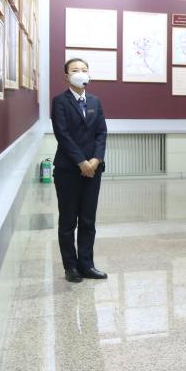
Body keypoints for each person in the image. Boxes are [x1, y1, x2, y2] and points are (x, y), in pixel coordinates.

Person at [52, 58, 109, 283]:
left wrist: (95, 159)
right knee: (68, 221)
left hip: (93, 170)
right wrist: (81, 162)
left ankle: (87, 265)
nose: (81, 73)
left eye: (84, 69)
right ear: (66, 76)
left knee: (88, 220)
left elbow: (101, 133)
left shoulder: (95, 101)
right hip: (68, 170)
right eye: (75, 70)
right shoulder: (60, 102)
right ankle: (71, 267)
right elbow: (62, 135)